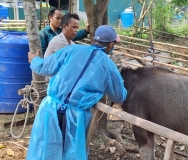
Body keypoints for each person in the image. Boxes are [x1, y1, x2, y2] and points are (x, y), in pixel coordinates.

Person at [26, 25, 127, 160]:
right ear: (110, 45)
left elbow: (44, 67)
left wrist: (35, 60)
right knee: (71, 153)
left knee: (43, 149)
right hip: (76, 116)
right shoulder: (109, 66)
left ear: (94, 39)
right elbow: (119, 96)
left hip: (50, 107)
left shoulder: (72, 49)